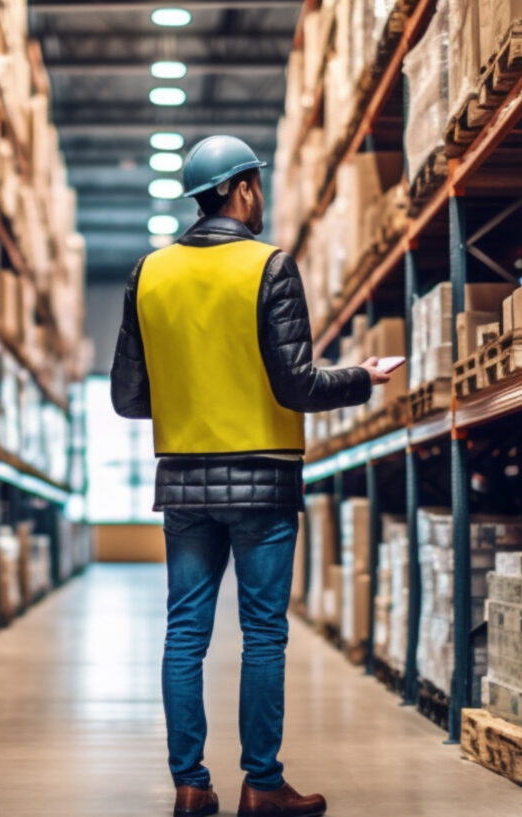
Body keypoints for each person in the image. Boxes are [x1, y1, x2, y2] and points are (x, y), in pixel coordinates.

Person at [110, 135, 390, 817]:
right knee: (263, 632)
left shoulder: (149, 274)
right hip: (263, 478)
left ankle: (189, 784)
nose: (261, 196)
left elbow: (126, 396)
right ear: (240, 189)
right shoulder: (269, 266)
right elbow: (296, 384)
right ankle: (262, 783)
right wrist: (362, 378)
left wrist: (188, 397)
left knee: (186, 632)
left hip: (183, 481)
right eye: (257, 184)